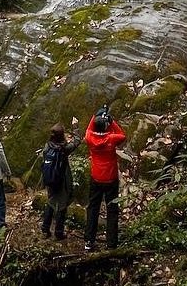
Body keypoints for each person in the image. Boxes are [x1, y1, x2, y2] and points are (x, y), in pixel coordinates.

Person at [84, 105, 126, 252]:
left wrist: (95, 116)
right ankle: (111, 243)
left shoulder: (89, 138)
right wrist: (111, 121)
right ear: (106, 126)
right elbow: (122, 135)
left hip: (96, 177)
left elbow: (89, 129)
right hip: (110, 178)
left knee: (93, 209)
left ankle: (89, 240)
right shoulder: (111, 139)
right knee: (112, 209)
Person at [41, 117, 81, 240]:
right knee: (62, 206)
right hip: (61, 180)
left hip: (49, 179)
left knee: (51, 202)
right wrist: (75, 127)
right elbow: (77, 141)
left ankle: (45, 228)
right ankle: (59, 232)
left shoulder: (47, 147)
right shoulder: (63, 149)